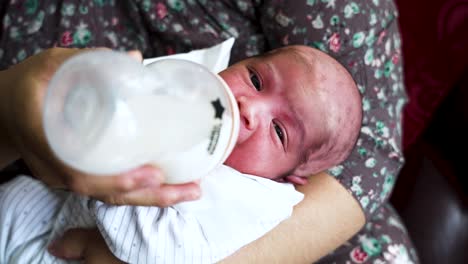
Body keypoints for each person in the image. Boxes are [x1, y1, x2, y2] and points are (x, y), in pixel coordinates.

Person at [0, 0, 419, 263]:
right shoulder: (190, 88)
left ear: (289, 178)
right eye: (255, 80)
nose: (249, 109)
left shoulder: (247, 199)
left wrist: (129, 170)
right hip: (46, 199)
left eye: (278, 132)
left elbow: (162, 250)